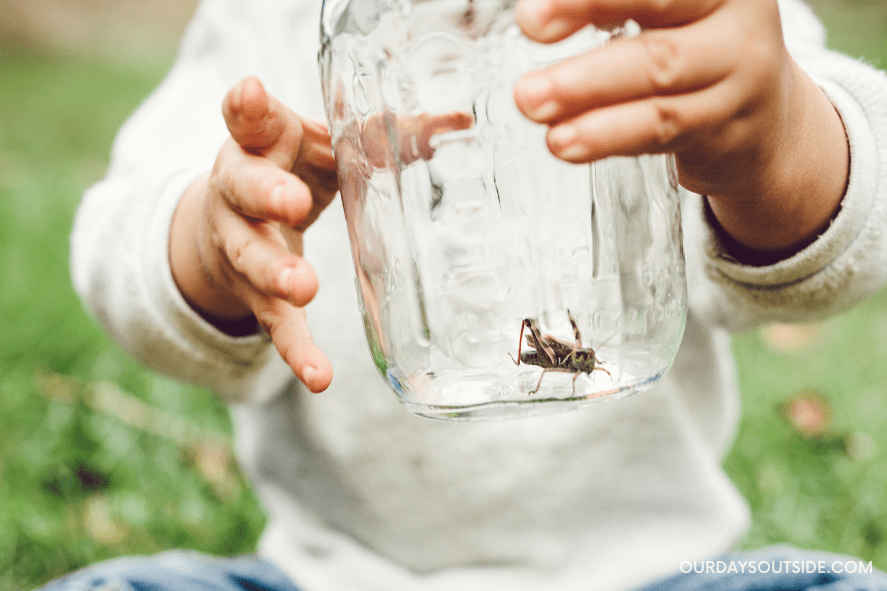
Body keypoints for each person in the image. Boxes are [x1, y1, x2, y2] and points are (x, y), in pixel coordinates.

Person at [57, 0, 887, 588]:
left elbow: (861, 171)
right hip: (331, 579)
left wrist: (775, 144)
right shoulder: (268, 20)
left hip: (665, 573)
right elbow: (116, 232)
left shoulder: (673, 13)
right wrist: (211, 239)